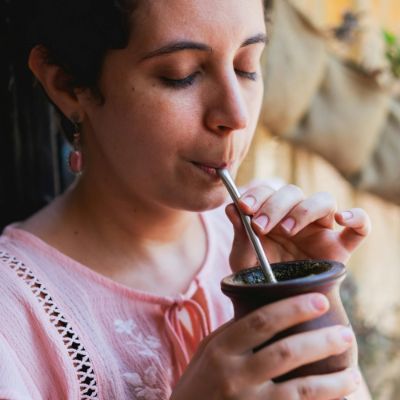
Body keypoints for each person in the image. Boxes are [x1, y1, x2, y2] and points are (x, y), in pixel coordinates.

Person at [0, 0, 372, 399]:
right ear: (68, 84)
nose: (236, 114)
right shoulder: (15, 314)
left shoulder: (273, 242)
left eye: (248, 65)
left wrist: (306, 301)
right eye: (182, 76)